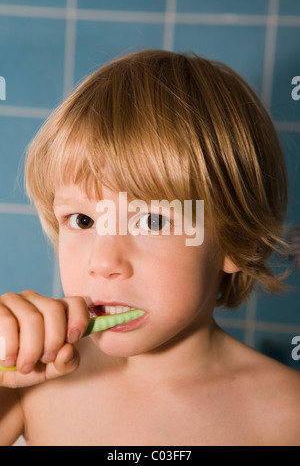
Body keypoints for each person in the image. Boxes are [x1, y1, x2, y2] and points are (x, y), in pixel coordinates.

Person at [0, 50, 299, 446]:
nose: (103, 262)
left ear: (236, 241)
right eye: (83, 221)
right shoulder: (26, 385)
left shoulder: (288, 414)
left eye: (153, 221)